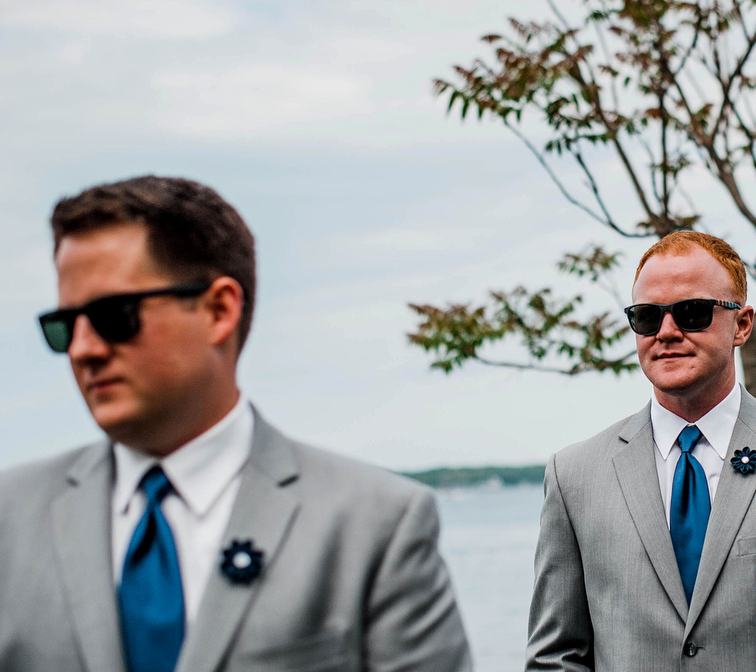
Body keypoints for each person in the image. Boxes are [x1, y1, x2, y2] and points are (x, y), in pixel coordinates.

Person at [0, 176, 472, 672]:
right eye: (64, 326)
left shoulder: (374, 526)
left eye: (114, 315)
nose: (83, 349)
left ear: (219, 310)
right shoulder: (9, 522)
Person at [526, 231, 756, 671]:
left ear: (741, 324)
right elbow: (556, 658)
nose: (667, 332)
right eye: (647, 317)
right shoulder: (574, 478)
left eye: (691, 313)